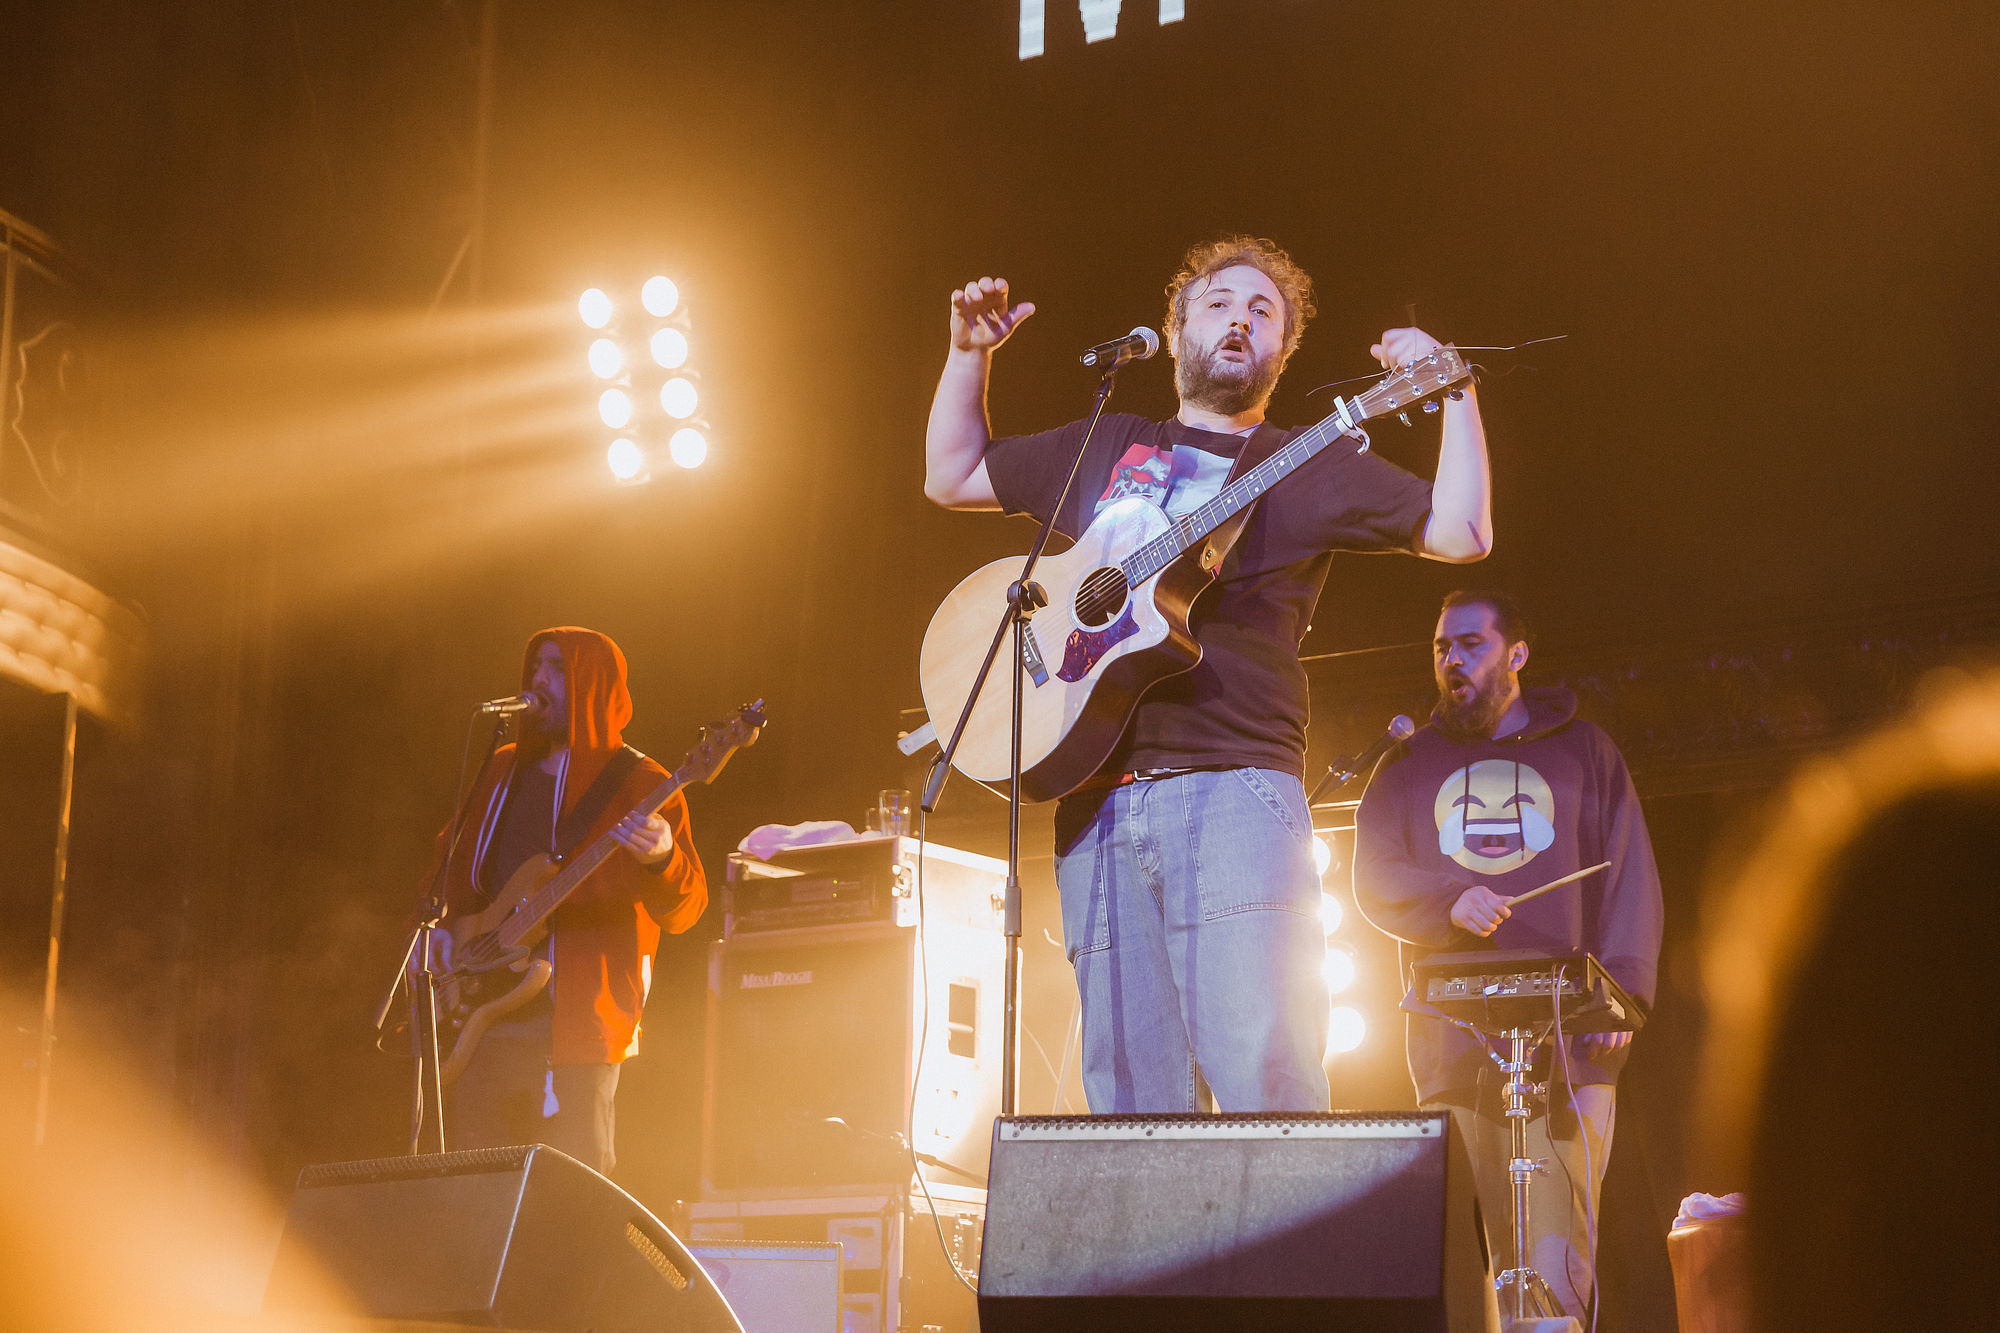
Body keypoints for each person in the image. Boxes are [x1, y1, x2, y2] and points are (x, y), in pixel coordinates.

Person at [923, 236, 1493, 1113]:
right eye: (1220, 303)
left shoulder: (1308, 461)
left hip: (1236, 791)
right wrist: (969, 355)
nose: (1240, 320)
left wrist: (1455, 388)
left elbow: (1462, 530)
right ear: (1176, 331)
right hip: (1095, 803)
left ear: (1281, 352)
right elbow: (952, 473)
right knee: (1131, 1106)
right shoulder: (1111, 442)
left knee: (1266, 1085)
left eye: (1264, 313)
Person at [1353, 590, 1663, 1319]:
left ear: (1517, 654)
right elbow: (1372, 875)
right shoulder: (1406, 762)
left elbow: (1630, 874)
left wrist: (1622, 994)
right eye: (1441, 647)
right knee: (1475, 1261)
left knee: (1557, 1255)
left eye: (1471, 644)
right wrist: (1447, 900)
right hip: (1456, 1042)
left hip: (1569, 1037)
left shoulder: (1585, 751)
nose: (1452, 660)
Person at [420, 626, 706, 1176]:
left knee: (573, 1184)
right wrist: (436, 929)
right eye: (535, 666)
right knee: (477, 1179)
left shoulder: (640, 782)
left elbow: (687, 909)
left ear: (590, 684)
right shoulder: (502, 769)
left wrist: (663, 858)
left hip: (579, 1018)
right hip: (480, 1013)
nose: (538, 679)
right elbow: (448, 867)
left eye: (555, 668)